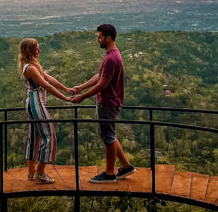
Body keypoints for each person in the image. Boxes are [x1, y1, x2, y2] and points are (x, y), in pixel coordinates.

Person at [70, 24, 135, 183]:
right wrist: (81, 87)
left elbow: (102, 85)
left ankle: (110, 173)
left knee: (108, 137)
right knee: (109, 135)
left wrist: (82, 97)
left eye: (99, 37)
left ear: (108, 38)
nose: (97, 40)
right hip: (108, 101)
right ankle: (126, 166)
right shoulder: (111, 55)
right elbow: (99, 76)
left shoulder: (111, 58)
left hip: (107, 102)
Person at [18, 38, 72, 184]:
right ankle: (40, 173)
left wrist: (66, 89)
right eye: (37, 48)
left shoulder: (31, 65)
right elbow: (46, 85)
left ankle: (31, 173)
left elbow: (49, 79)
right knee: (49, 135)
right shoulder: (30, 68)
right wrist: (65, 98)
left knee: (35, 137)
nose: (39, 51)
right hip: (36, 103)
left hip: (32, 102)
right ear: (30, 50)